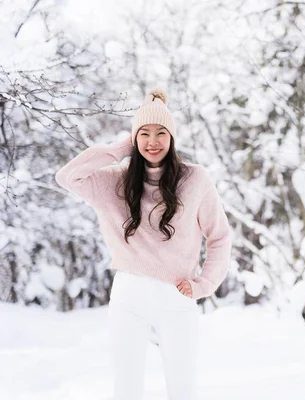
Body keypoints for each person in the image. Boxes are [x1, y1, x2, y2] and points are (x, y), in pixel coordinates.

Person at [55, 88, 232, 400]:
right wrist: (118, 149)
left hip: (177, 297)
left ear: (172, 138)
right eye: (144, 134)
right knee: (126, 389)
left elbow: (219, 237)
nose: (153, 142)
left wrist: (203, 284)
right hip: (129, 298)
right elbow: (67, 177)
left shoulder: (195, 180)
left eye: (161, 133)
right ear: (134, 138)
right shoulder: (114, 182)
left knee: (183, 389)